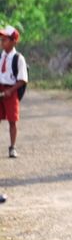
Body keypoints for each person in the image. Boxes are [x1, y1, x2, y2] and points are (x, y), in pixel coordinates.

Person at [0, 26, 28, 158]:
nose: (2, 43)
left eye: (5, 40)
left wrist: (10, 91)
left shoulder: (18, 58)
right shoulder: (2, 56)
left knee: (12, 120)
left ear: (13, 42)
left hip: (11, 91)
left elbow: (22, 80)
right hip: (1, 89)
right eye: (1, 40)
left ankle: (12, 147)